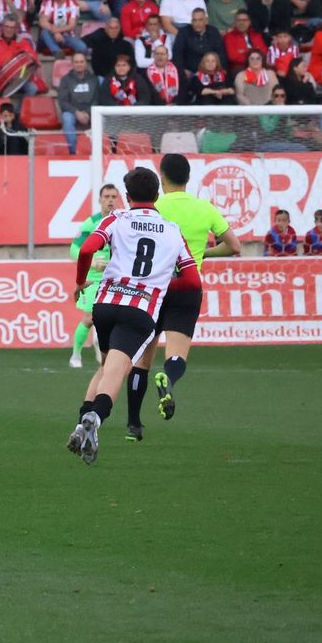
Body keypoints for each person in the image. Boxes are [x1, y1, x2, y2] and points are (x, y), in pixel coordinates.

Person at [66, 167, 200, 465]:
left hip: (105, 304)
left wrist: (78, 282)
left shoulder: (116, 218)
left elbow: (87, 249)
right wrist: (161, 282)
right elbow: (192, 281)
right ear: (157, 196)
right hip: (139, 309)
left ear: (126, 197)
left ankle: (81, 425)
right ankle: (96, 418)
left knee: (104, 368)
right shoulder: (172, 230)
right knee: (117, 370)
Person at [124, 153, 241, 441]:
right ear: (188, 178)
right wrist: (200, 254)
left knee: (141, 360)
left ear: (161, 177)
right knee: (176, 355)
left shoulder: (154, 206)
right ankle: (169, 379)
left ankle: (134, 424)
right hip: (188, 287)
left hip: (153, 289)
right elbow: (235, 246)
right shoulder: (205, 208)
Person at [68, 183, 121, 369]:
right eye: (106, 197)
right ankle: (76, 354)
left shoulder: (123, 221)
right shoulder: (91, 223)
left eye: (114, 197)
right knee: (90, 317)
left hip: (115, 278)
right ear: (100, 200)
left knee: (115, 319)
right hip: (94, 278)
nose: (110, 200)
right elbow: (74, 249)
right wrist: (92, 262)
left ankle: (104, 347)